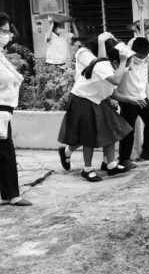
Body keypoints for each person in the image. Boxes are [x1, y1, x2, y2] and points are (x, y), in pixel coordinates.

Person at [57, 33, 133, 182]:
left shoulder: (108, 66)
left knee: (110, 129)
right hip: (83, 99)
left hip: (97, 99)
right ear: (116, 61)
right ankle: (87, 169)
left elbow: (113, 92)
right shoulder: (101, 64)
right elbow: (116, 80)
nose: (127, 67)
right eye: (125, 63)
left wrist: (132, 99)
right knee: (88, 135)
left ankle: (111, 165)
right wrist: (124, 61)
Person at [111, 37, 149, 169]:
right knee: (128, 131)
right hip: (128, 99)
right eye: (139, 56)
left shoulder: (145, 58)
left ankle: (146, 151)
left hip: (142, 97)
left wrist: (148, 45)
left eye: (144, 55)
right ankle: (124, 159)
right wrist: (130, 46)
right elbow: (120, 49)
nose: (142, 58)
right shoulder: (128, 59)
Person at [0, 13, 31, 206]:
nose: (8, 35)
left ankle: (10, 193)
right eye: (3, 31)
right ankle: (12, 195)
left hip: (5, 112)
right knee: (5, 153)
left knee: (5, 153)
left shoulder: (1, 56)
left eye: (7, 31)